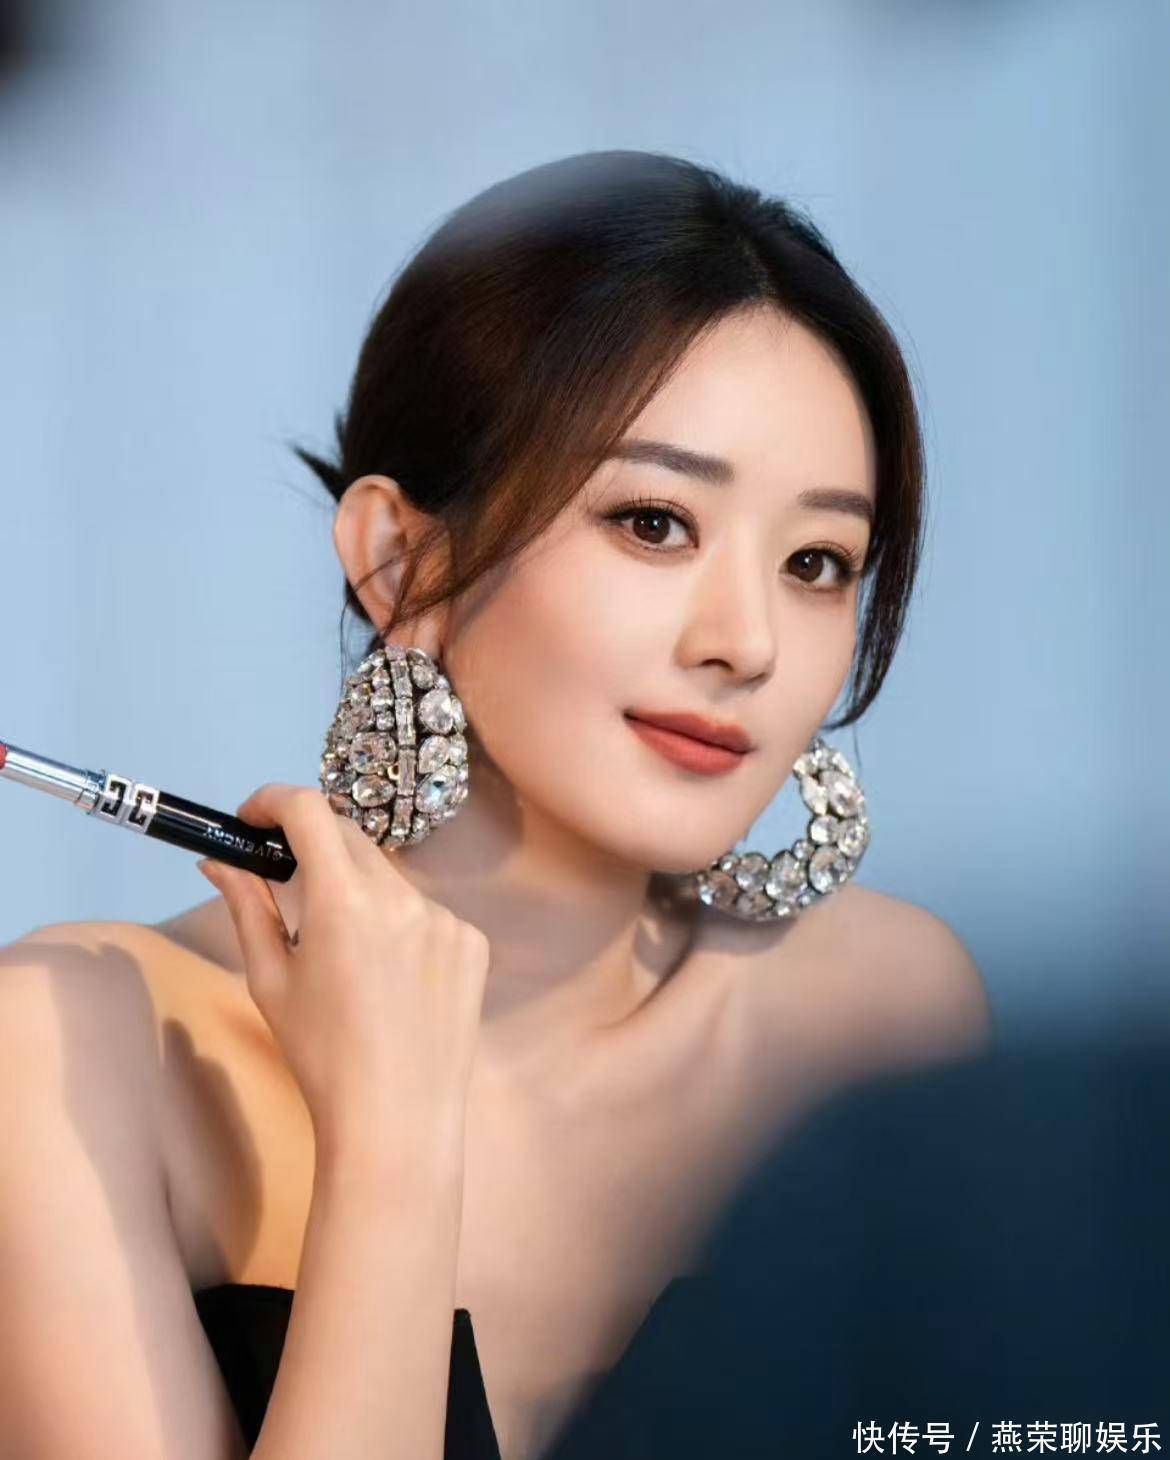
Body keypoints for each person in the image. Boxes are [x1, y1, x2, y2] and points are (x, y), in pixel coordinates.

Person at [0, 149, 992, 1460]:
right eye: (653, 523)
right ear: (398, 559)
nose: (747, 642)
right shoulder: (72, 1048)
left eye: (816, 561)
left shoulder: (883, 1009)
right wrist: (393, 1144)